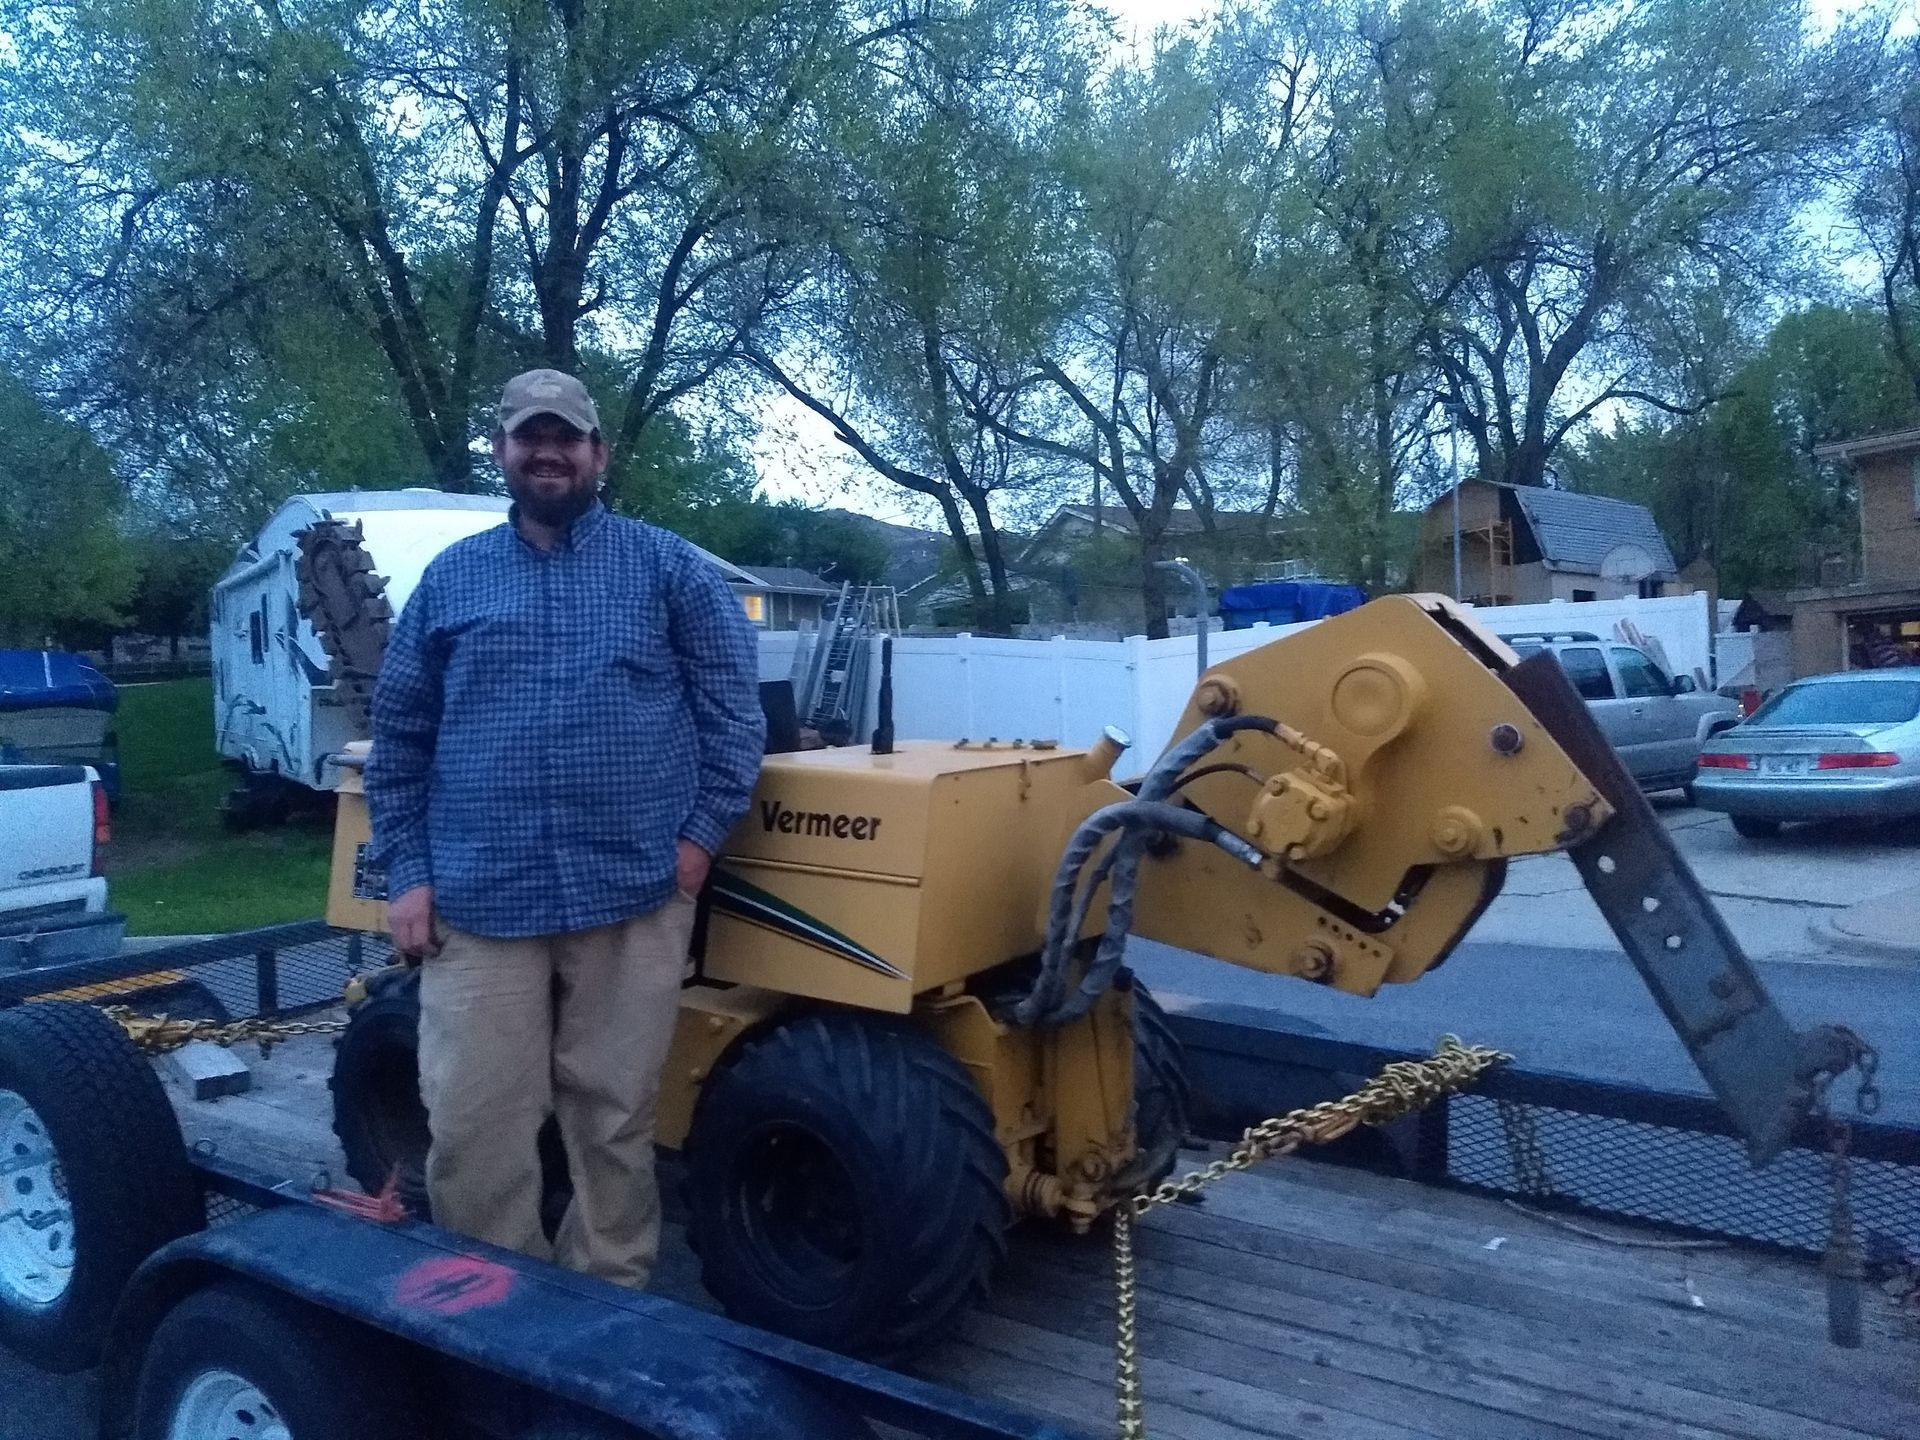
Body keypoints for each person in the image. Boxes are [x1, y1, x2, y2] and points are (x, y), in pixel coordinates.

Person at [365, 368, 764, 1287]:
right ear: (502, 452)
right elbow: (402, 740)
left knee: (616, 1119)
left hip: (631, 893)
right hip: (478, 896)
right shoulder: (452, 578)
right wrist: (408, 876)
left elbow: (733, 715)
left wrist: (700, 837)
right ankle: (497, 1307)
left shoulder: (669, 569)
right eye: (528, 435)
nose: (548, 451)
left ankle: (607, 1299)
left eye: (568, 436)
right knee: (471, 1124)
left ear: (598, 454)